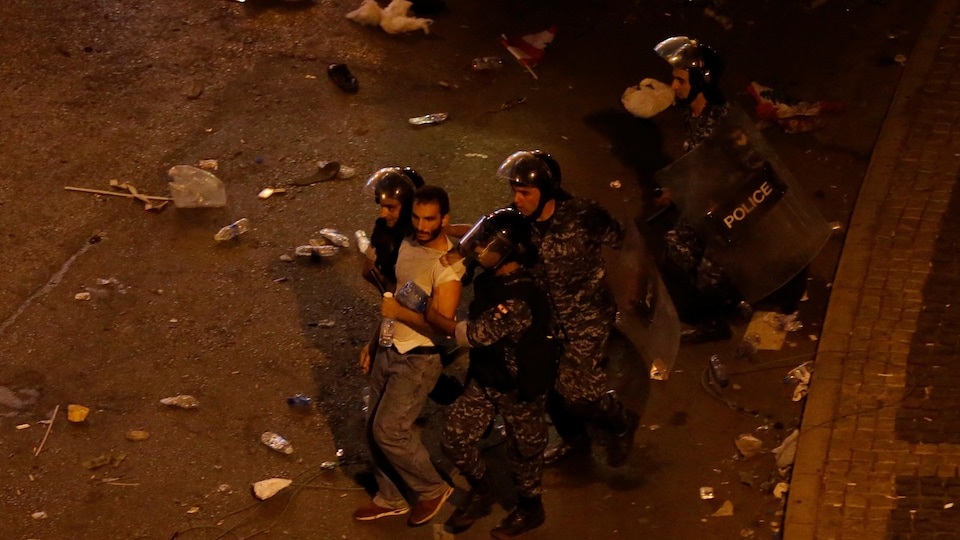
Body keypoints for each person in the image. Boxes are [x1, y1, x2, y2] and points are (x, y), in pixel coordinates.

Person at [498, 149, 640, 467]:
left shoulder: (583, 215)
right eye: (515, 192)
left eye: (524, 193)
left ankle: (620, 423)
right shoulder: (518, 221)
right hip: (546, 317)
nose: (517, 199)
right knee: (547, 388)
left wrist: (636, 287)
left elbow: (627, 244)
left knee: (580, 396)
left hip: (587, 316)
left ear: (546, 191)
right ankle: (576, 440)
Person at [426, 208, 557, 538]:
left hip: (519, 385)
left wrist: (429, 317)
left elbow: (473, 335)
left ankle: (530, 509)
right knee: (455, 437)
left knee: (524, 454)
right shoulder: (495, 274)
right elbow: (459, 259)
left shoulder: (518, 298)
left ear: (507, 254)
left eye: (487, 245)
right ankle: (483, 489)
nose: (479, 249)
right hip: (488, 375)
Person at [354, 185, 465, 527]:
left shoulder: (447, 269)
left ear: (443, 219)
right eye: (416, 216)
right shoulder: (407, 242)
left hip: (418, 358)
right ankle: (390, 497)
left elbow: (444, 328)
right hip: (389, 346)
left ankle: (432, 488)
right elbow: (394, 297)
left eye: (429, 219)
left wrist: (398, 315)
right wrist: (374, 343)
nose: (421, 224)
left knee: (390, 430)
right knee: (373, 426)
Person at [653, 36, 746, 344]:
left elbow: (741, 170)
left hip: (728, 207)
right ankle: (725, 299)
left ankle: (716, 321)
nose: (674, 86)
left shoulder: (722, 121)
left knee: (709, 272)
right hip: (701, 201)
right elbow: (694, 160)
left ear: (701, 81)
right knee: (676, 247)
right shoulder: (692, 113)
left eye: (680, 80)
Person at [360, 166, 425, 294]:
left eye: (390, 208)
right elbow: (368, 271)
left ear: (408, 207)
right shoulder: (383, 230)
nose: (383, 214)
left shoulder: (424, 238)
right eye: (382, 206)